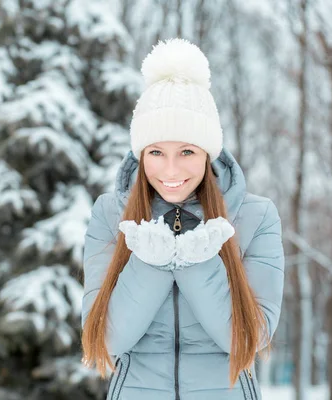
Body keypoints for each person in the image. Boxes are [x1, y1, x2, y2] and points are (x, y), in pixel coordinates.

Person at [81, 38, 284, 400]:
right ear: (141, 155)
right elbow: (107, 338)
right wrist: (151, 262)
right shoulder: (110, 215)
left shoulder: (256, 217)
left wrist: (195, 261)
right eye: (156, 152)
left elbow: (250, 339)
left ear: (207, 153)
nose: (170, 169)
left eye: (187, 151)